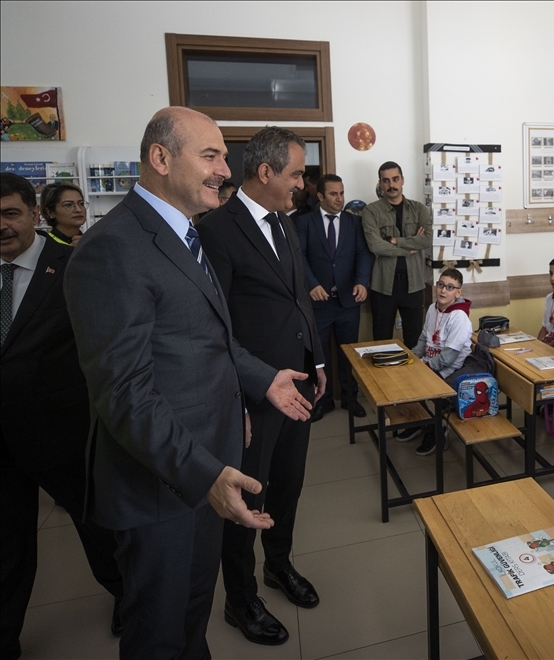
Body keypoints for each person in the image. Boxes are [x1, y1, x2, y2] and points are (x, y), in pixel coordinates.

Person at [65, 107, 313, 659]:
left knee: (192, 617)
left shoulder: (186, 234)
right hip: (161, 486)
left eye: (224, 156)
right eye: (211, 156)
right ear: (160, 158)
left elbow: (208, 339)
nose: (225, 170)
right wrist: (205, 474)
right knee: (159, 632)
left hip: (206, 471)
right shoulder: (113, 247)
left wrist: (263, 379)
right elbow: (124, 393)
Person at [198, 126, 327, 646]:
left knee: (288, 484)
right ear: (267, 171)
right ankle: (241, 597)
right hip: (254, 394)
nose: (302, 183)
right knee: (246, 499)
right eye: (296, 173)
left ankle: (278, 564)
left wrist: (317, 360)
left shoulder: (284, 221)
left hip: (298, 383)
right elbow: (215, 327)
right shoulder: (217, 230)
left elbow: (298, 299)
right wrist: (238, 401)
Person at [1, 173, 123, 659]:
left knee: (98, 528)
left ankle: (127, 594)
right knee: (7, 545)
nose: (1, 226)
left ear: (35, 214)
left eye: (10, 214)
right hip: (2, 439)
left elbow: (104, 344)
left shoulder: (72, 265)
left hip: (62, 433)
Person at [295, 173, 372, 422]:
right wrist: (312, 284)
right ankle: (323, 400)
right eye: (333, 194)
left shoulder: (354, 222)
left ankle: (350, 398)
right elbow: (299, 257)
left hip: (348, 301)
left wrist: (362, 281)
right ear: (320, 196)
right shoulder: (304, 222)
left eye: (341, 193)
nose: (339, 198)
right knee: (320, 356)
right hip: (319, 302)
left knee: (349, 353)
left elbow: (363, 254)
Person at [361, 161, 432, 348]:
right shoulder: (371, 211)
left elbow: (427, 240)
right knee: (382, 340)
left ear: (402, 180)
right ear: (380, 183)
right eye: (386, 181)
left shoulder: (419, 209)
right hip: (383, 285)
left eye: (395, 179)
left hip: (414, 284)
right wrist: (410, 248)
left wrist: (395, 241)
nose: (391, 185)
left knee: (415, 341)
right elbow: (376, 246)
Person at [406, 268, 472, 455]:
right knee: (402, 375)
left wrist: (423, 367)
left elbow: (447, 358)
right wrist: (411, 357)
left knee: (416, 383)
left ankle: (435, 431)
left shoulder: (459, 316)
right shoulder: (432, 309)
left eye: (450, 287)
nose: (443, 290)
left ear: (458, 292)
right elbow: (423, 340)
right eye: (441, 285)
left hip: (450, 370)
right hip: (430, 363)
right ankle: (419, 422)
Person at [39, 181, 87, 246]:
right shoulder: (44, 245)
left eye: (81, 204)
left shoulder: (91, 242)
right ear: (50, 212)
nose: (78, 209)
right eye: (68, 205)